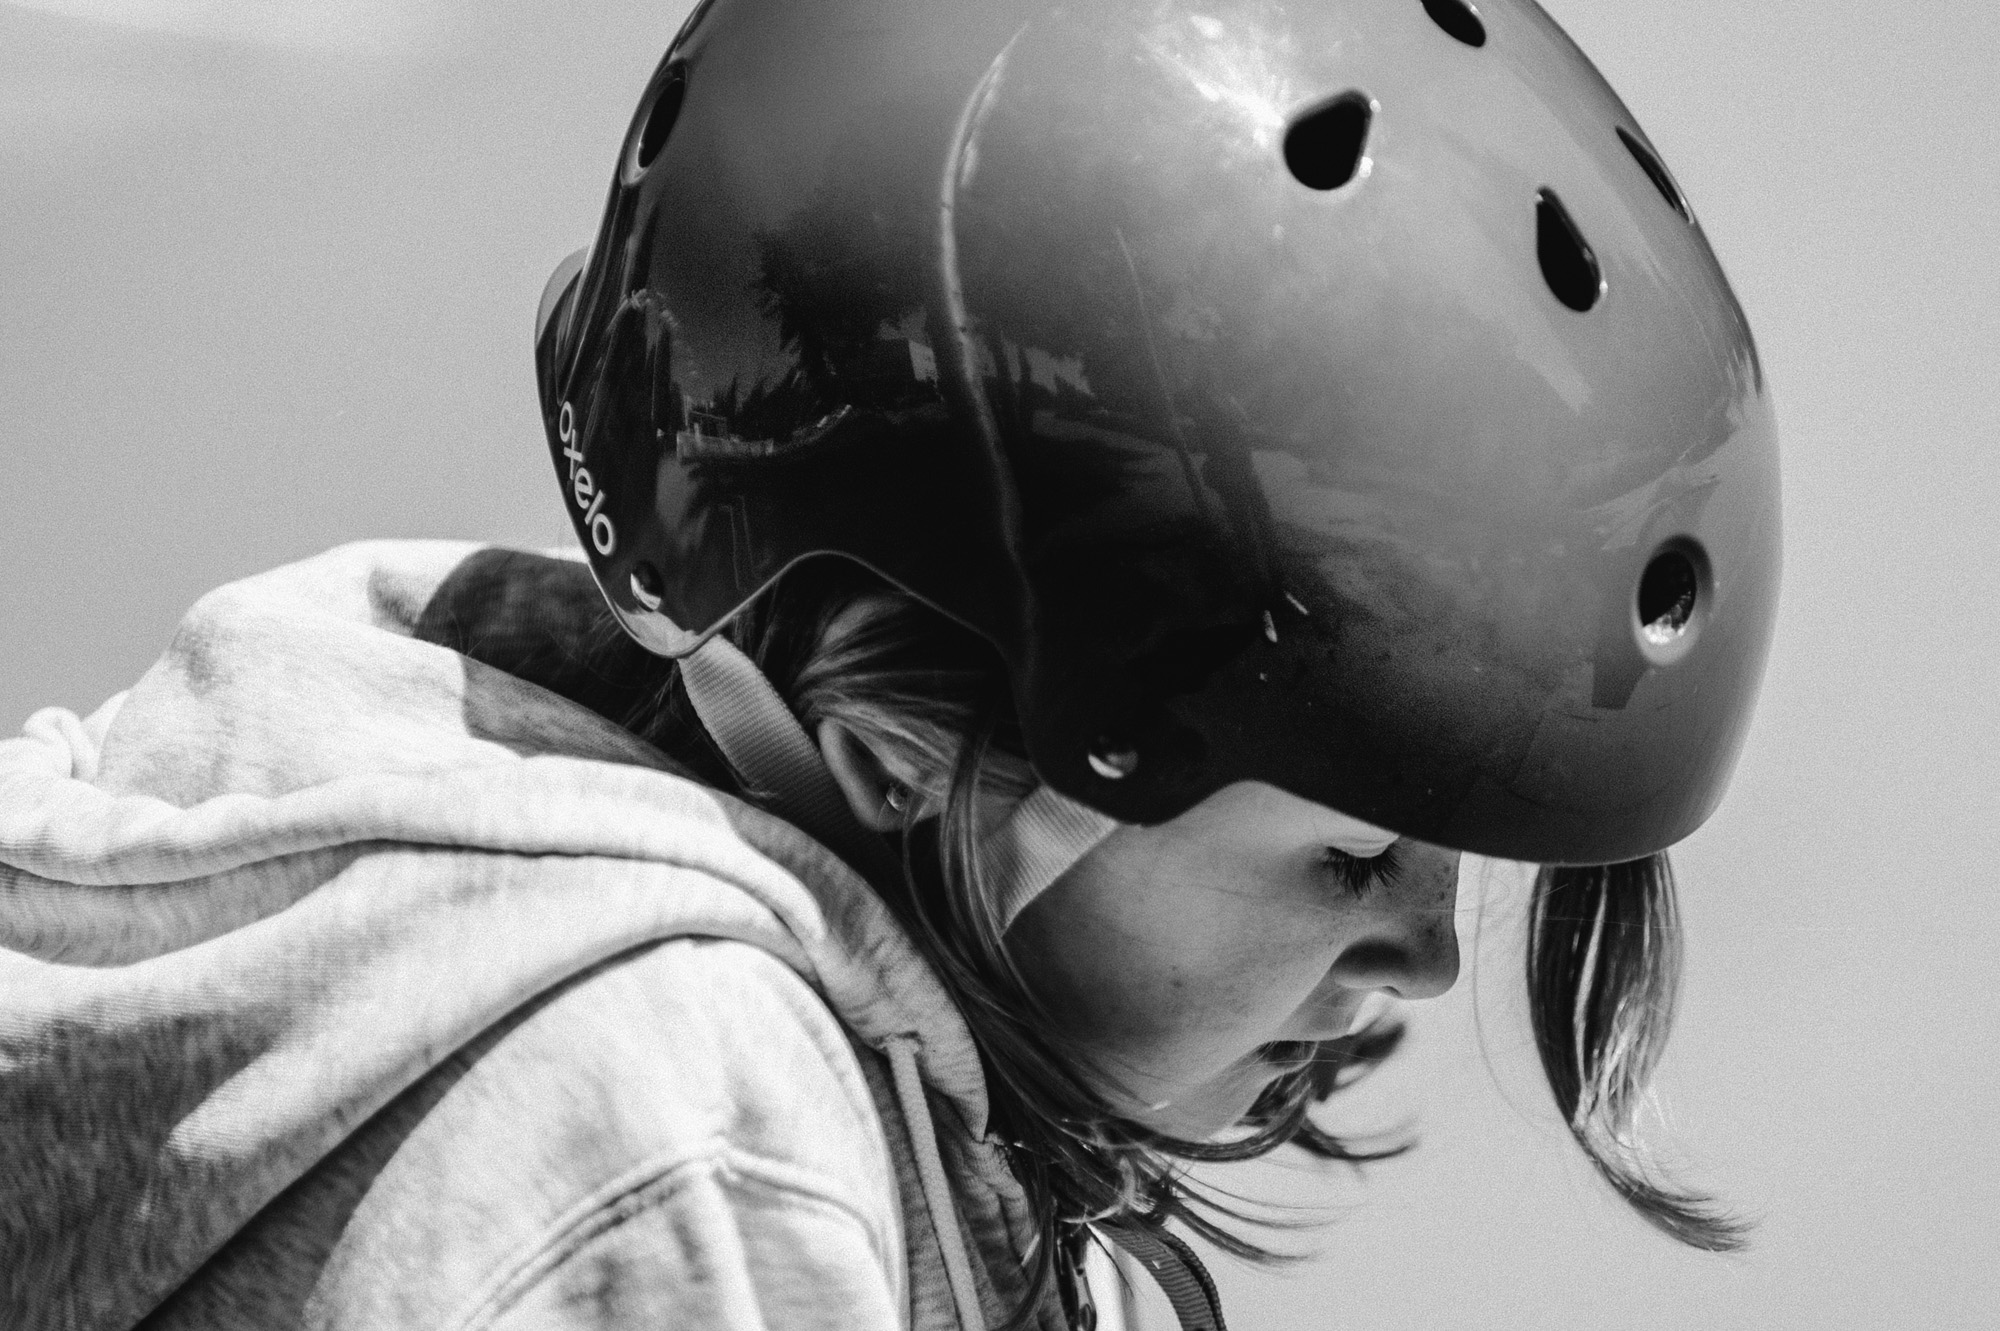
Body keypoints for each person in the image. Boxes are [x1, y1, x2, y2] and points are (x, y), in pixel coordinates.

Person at [0, 0, 1779, 1328]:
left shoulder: (451, 864)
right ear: (898, 749)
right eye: (1351, 854)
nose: (1426, 956)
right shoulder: (671, 1140)